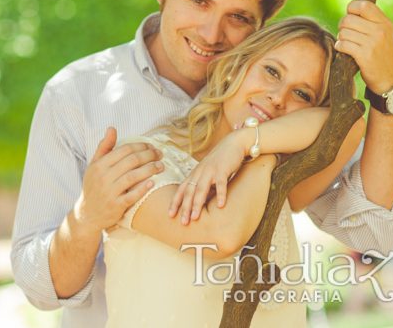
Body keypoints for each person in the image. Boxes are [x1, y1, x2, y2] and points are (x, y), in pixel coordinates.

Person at [11, 0, 393, 327]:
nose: (210, 33)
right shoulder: (79, 97)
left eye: (238, 17)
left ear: (259, 32)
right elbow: (40, 290)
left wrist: (388, 89)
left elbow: (373, 232)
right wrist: (86, 218)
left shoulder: (268, 108)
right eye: (198, 0)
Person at [104, 17, 362, 327]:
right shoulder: (141, 159)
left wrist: (244, 141)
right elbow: (220, 235)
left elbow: (351, 123)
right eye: (271, 72)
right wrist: (263, 153)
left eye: (303, 95)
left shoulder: (286, 182)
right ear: (236, 67)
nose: (278, 97)